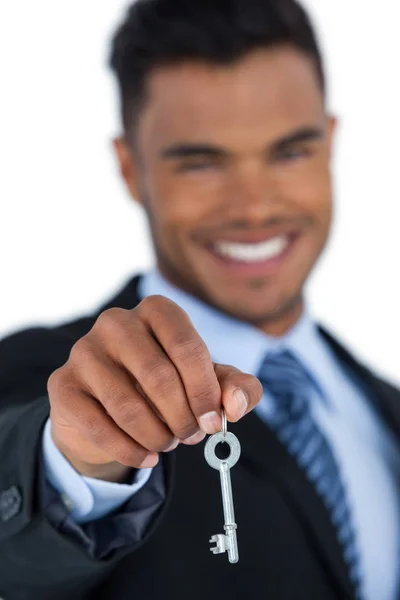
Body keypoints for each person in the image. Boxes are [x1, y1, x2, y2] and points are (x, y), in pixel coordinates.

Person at [0, 0, 399, 598]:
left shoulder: (382, 408)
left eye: (290, 152)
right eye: (201, 164)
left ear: (331, 142)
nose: (255, 207)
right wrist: (77, 460)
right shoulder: (40, 375)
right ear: (131, 170)